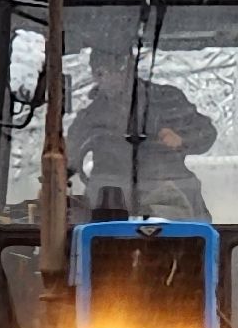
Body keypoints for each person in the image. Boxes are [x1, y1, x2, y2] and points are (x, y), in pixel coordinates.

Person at [70, 47, 218, 219]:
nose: (108, 78)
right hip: (110, 204)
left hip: (171, 197)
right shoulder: (90, 116)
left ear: (130, 69)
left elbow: (207, 133)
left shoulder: (168, 100)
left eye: (116, 69)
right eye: (101, 73)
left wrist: (182, 139)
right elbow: (67, 156)